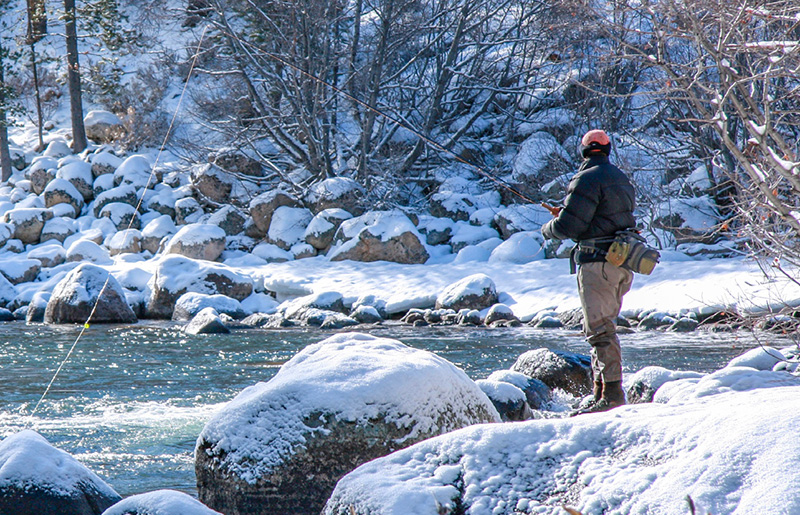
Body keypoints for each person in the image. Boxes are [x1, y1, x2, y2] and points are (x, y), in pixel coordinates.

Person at [541, 129, 636, 413]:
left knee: (600, 330)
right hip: (622, 263)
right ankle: (600, 392)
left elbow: (569, 227)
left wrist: (549, 227)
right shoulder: (621, 179)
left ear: (584, 151)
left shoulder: (585, 178)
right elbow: (604, 216)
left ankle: (612, 396)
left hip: (598, 263)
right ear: (607, 150)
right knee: (601, 326)